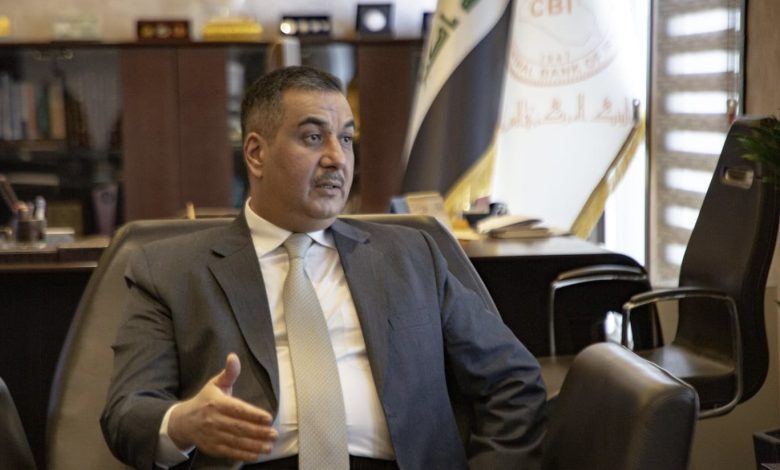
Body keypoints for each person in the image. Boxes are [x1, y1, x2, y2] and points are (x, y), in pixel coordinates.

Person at [100, 65, 547, 469]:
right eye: (314, 138)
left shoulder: (412, 256)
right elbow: (126, 412)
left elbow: (512, 380)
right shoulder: (170, 271)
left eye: (346, 139)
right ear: (256, 154)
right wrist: (182, 422)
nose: (338, 158)